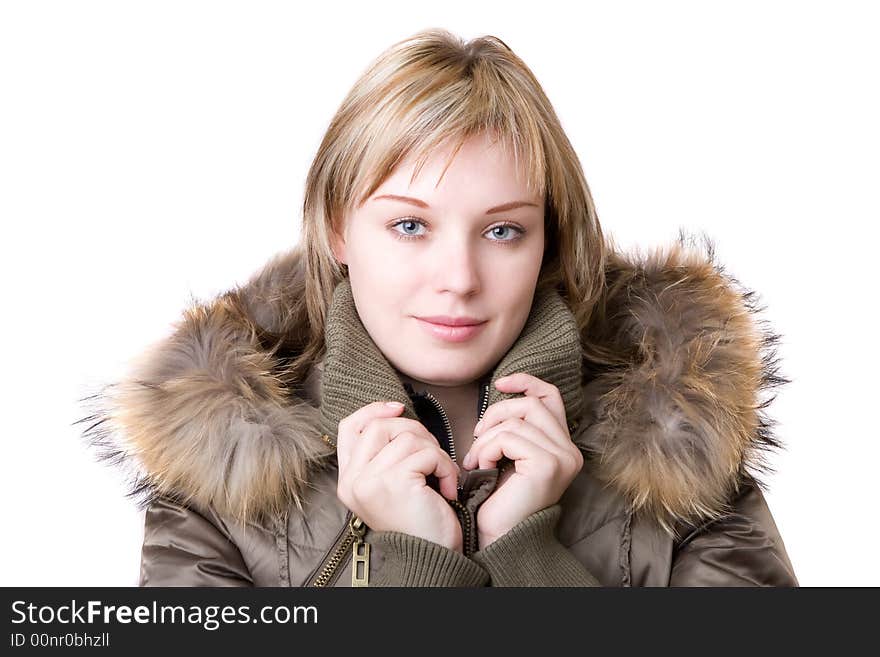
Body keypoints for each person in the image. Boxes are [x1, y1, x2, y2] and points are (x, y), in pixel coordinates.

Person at [77, 28, 798, 586]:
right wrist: (414, 570)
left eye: (503, 229)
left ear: (548, 241)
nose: (458, 277)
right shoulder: (218, 482)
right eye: (410, 225)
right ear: (338, 229)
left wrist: (531, 560)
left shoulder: (683, 457)